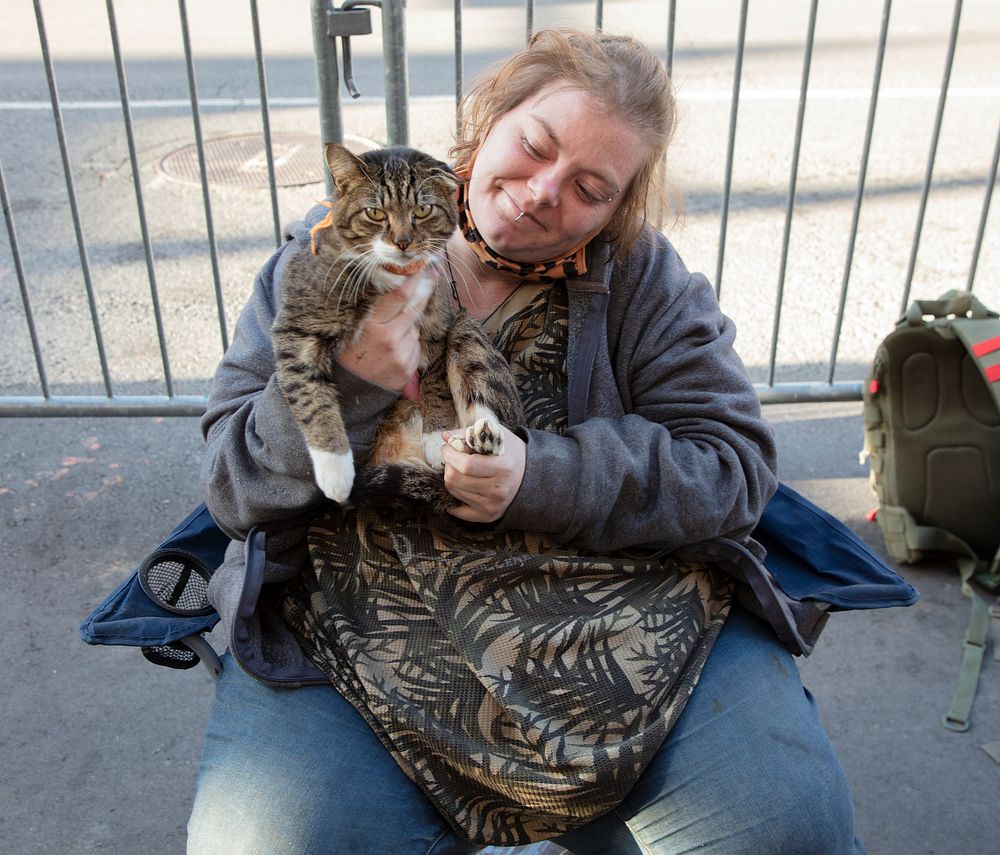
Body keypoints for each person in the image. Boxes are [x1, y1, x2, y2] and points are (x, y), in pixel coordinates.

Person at [187, 28, 863, 855]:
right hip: (362, 631)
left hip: (618, 620)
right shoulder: (326, 258)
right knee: (266, 844)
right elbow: (232, 484)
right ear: (490, 118)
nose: (543, 193)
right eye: (534, 146)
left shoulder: (645, 281)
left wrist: (541, 475)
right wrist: (354, 381)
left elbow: (732, 467)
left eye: (589, 186)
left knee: (788, 830)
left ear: (620, 206)